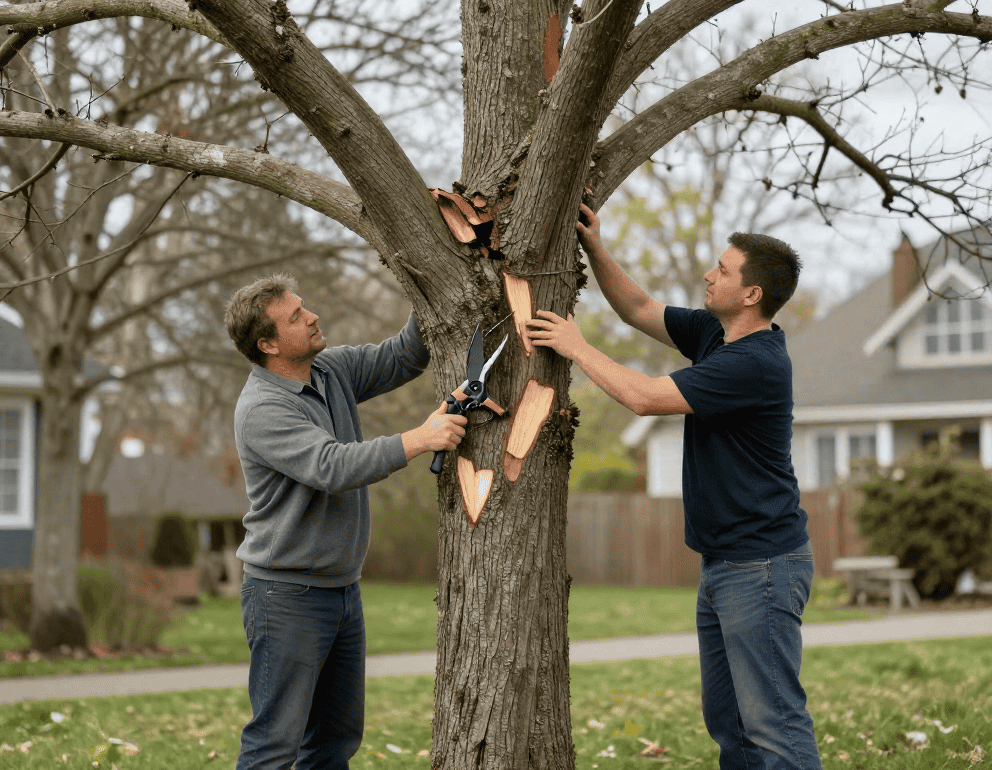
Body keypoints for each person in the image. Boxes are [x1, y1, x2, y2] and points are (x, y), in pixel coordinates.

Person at [526, 204, 822, 770]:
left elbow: (644, 397)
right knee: (730, 722)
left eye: (722, 269)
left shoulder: (755, 364)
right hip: (725, 565)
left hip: (761, 567)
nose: (709, 275)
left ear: (752, 293)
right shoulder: (716, 334)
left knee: (773, 723)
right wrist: (594, 247)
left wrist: (575, 345)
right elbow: (638, 308)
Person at [224, 273, 466, 770]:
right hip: (285, 597)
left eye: (303, 305)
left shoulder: (330, 371)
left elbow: (403, 355)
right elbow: (332, 466)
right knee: (275, 744)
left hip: (341, 592)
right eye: (295, 316)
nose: (311, 316)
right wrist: (422, 437)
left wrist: (436, 280)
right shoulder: (262, 410)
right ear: (268, 344)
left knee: (335, 742)